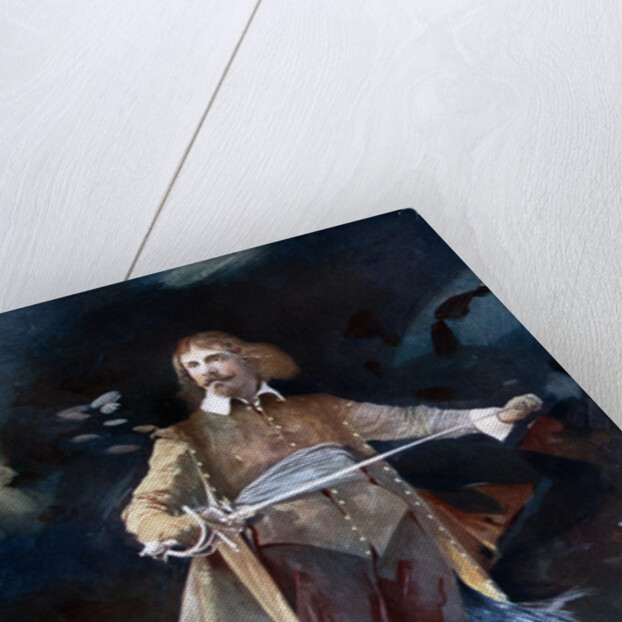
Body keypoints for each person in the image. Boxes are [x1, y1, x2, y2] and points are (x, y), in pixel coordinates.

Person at [122, 331, 545, 622]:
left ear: (244, 356)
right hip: (302, 550)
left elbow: (410, 420)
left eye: (215, 357)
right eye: (194, 366)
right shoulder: (184, 438)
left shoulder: (319, 407)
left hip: (395, 528)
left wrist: (490, 417)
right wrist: (177, 527)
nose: (207, 370)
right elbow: (146, 507)